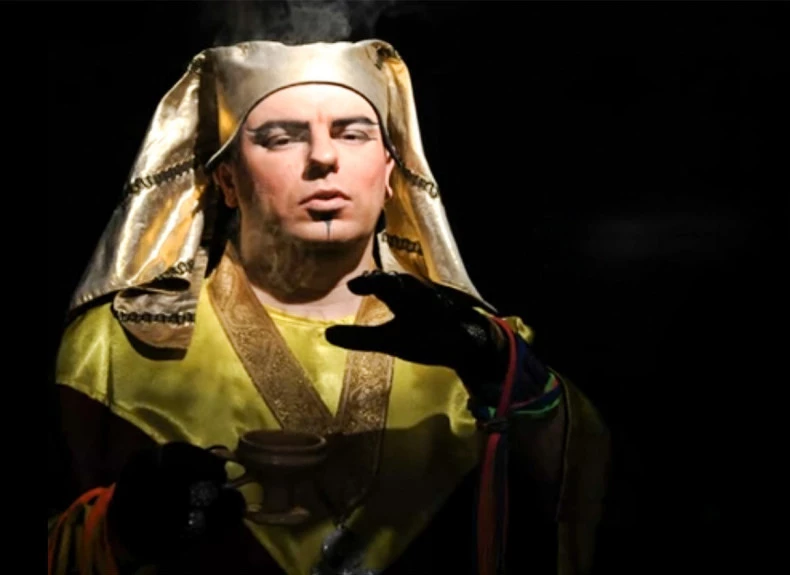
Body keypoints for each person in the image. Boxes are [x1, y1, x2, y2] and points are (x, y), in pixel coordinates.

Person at [47, 39, 609, 575]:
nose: (322, 157)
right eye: (281, 138)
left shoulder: (474, 349)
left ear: (390, 174)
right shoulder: (116, 349)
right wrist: (119, 533)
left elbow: (589, 499)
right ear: (227, 180)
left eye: (353, 133)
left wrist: (502, 372)